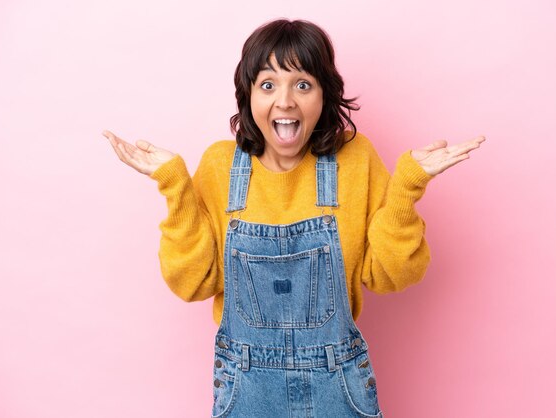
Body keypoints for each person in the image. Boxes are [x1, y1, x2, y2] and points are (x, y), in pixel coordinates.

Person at [103, 18, 485, 418]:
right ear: (248, 95)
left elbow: (390, 276)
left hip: (339, 390)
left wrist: (408, 187)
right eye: (268, 84)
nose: (285, 101)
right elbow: (192, 284)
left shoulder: (354, 161)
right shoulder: (220, 166)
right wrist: (175, 185)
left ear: (324, 95)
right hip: (246, 393)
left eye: (302, 84)